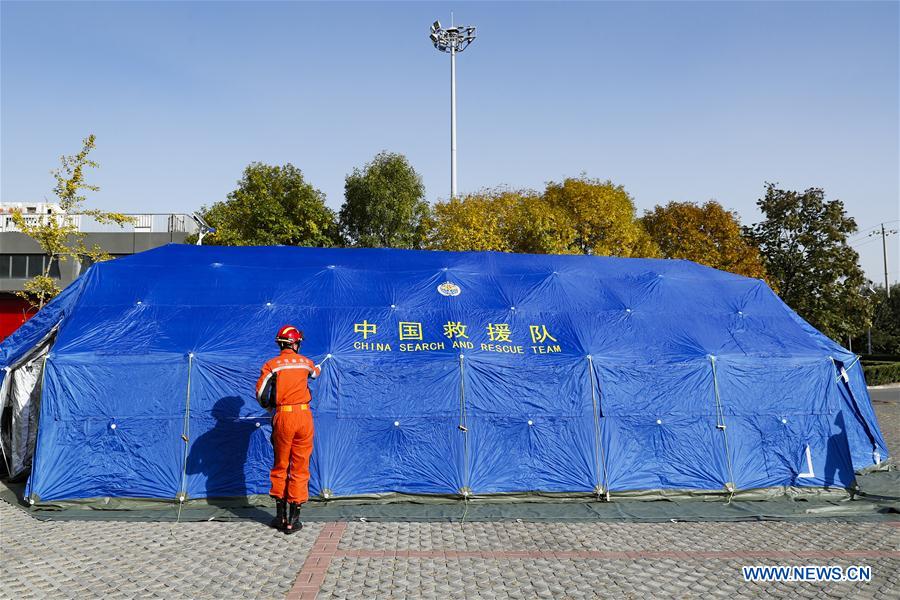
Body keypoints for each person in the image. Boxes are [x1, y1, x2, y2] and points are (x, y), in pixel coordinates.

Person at [256, 325, 321, 534]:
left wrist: (271, 409)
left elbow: (261, 395)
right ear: (295, 343)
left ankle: (280, 517)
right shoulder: (306, 362)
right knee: (300, 465)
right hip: (304, 416)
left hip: (283, 416)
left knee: (281, 464)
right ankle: (294, 520)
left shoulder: (272, 365)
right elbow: (315, 373)